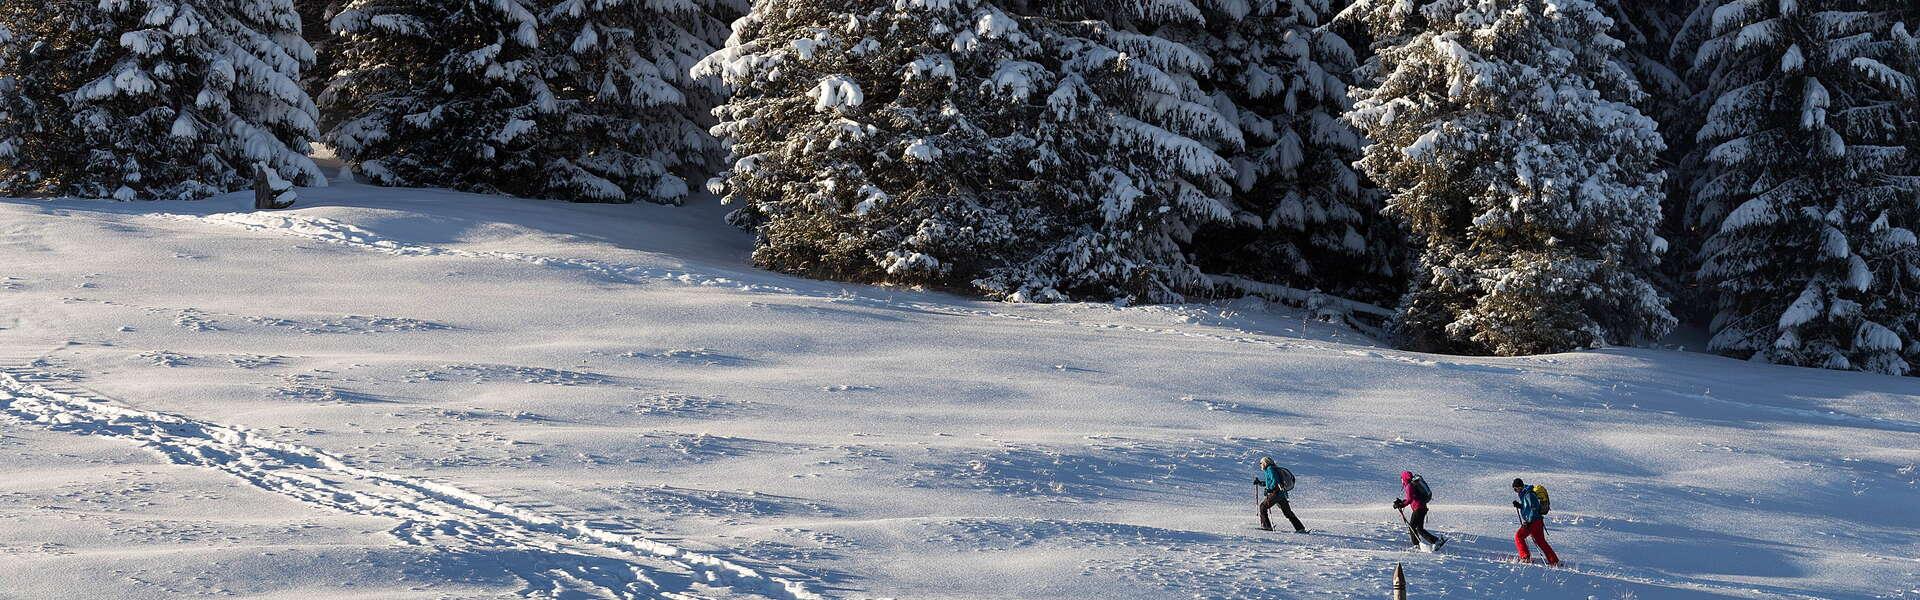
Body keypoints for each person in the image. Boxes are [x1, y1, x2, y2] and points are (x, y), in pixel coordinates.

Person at [1512, 478, 1560, 565]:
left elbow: (1534, 508)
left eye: (1515, 489)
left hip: (1533, 522)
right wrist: (1520, 506)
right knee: (1541, 541)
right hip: (1538, 521)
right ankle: (1554, 561)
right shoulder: (1526, 493)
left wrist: (1529, 522)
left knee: (1518, 536)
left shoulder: (1528, 494)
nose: (1515, 491)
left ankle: (1525, 557)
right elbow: (1528, 507)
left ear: (1519, 487)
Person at [1252, 457, 1306, 532]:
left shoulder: (1270, 469)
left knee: (1263, 506)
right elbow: (1270, 482)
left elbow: (1275, 481)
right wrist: (1260, 483)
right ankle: (1300, 528)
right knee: (1287, 512)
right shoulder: (1272, 469)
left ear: (1265, 463)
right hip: (1282, 494)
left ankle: (1266, 526)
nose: (1260, 465)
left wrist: (1269, 489)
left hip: (1276, 493)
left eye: (1261, 463)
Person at [1392, 471, 1444, 550]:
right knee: (1419, 529)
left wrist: (1401, 505)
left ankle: (1417, 545)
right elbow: (1412, 498)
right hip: (1422, 508)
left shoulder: (1409, 486)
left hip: (1418, 508)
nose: (1401, 480)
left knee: (1412, 526)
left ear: (1404, 478)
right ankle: (1436, 541)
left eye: (1402, 478)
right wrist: (1402, 502)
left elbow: (1409, 499)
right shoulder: (1413, 485)